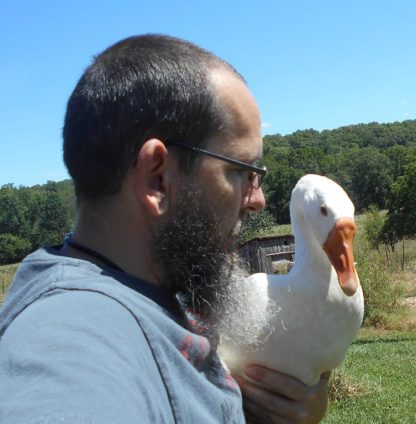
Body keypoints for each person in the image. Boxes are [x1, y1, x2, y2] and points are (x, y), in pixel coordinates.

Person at [0, 34, 329, 423]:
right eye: (241, 171)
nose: (257, 200)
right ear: (158, 177)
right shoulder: (70, 339)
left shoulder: (152, 289)